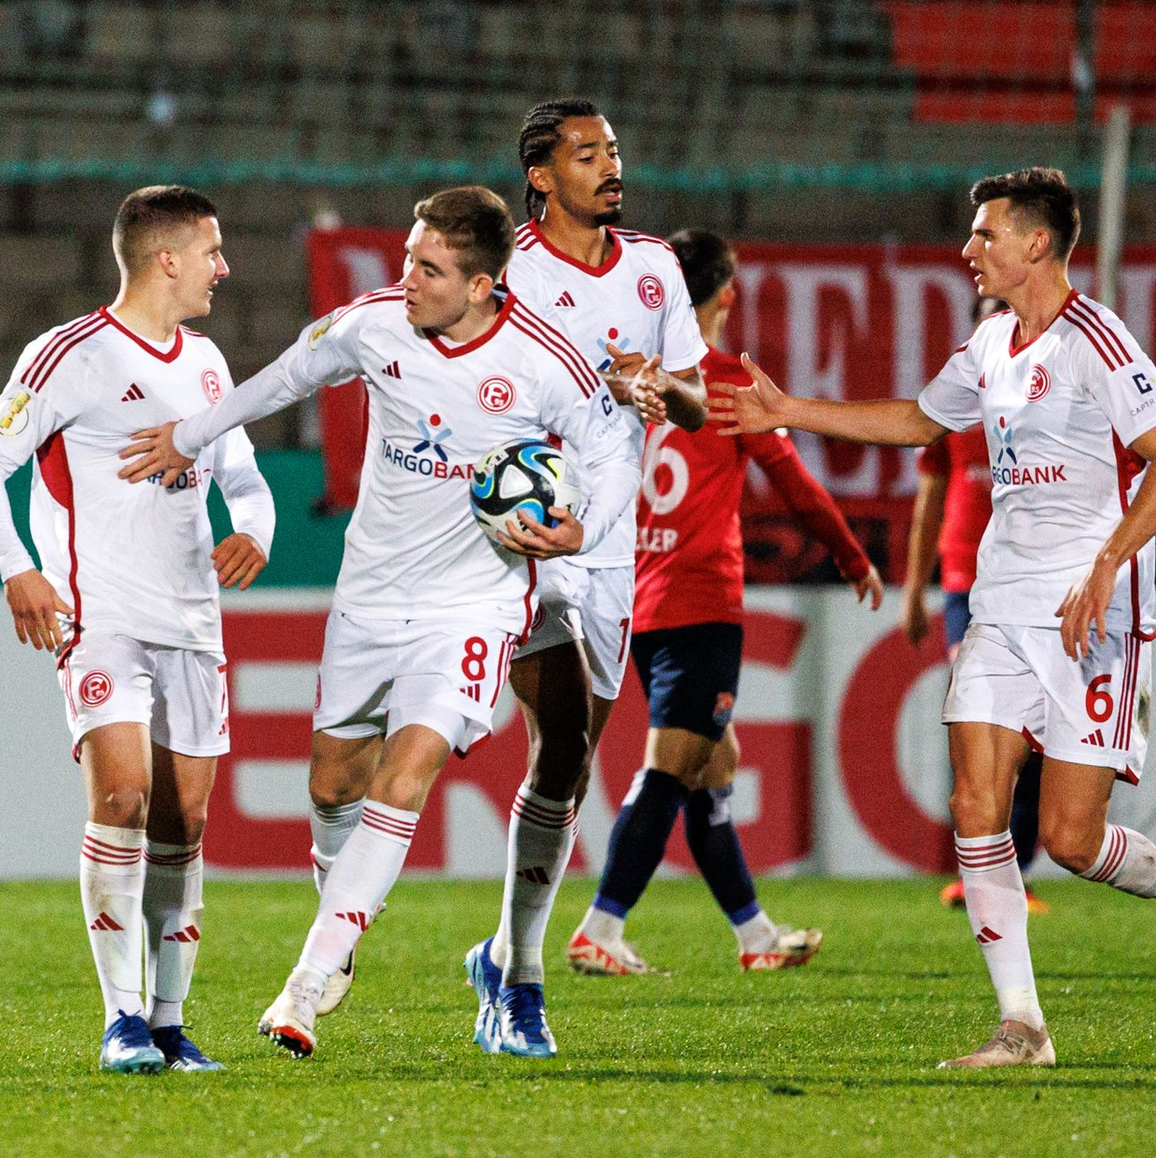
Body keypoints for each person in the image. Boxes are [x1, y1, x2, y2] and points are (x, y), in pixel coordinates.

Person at [117, 186, 638, 1060]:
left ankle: (307, 983)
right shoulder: (374, 324)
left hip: (473, 602)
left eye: (429, 269)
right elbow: (288, 373)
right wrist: (192, 434)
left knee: (408, 773)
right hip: (369, 596)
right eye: (407, 257)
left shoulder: (546, 360)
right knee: (331, 787)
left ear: (481, 286)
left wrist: (585, 526)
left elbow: (612, 449)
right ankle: (343, 930)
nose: (407, 278)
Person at [708, 166, 1156, 1069]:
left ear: (1037, 243)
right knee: (974, 801)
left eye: (986, 234)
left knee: (1069, 838)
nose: (968, 250)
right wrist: (788, 409)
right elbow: (918, 419)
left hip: (1091, 606)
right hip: (1001, 602)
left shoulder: (1099, 344)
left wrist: (1109, 563)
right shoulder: (991, 342)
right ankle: (1022, 1027)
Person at [0, 186, 275, 1074]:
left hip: (192, 622)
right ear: (165, 257)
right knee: (123, 798)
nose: (224, 268)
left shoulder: (209, 363)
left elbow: (244, 476)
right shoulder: (69, 354)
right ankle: (122, 1018)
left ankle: (171, 1023)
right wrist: (19, 569)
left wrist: (257, 527)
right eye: (212, 251)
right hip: (100, 617)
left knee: (186, 820)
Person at [462, 98, 709, 1052]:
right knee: (556, 729)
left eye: (613, 148)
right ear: (539, 175)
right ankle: (521, 984)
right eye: (586, 153)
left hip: (608, 548)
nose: (610, 165)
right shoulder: (511, 271)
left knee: (566, 762)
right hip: (521, 538)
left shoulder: (653, 269)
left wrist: (657, 384)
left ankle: (503, 952)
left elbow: (694, 401)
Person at [567, 228, 883, 974]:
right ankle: (600, 927)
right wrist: (850, 554)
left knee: (714, 763)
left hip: (635, 600)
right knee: (675, 765)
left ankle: (755, 935)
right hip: (700, 598)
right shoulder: (722, 384)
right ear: (726, 292)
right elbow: (798, 486)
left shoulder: (629, 375)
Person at [901, 297, 1048, 915]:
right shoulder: (960, 395)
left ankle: (1013, 864)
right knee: (982, 719)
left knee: (1036, 733)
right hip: (966, 578)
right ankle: (982, 869)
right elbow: (929, 495)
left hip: (1039, 577)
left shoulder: (1057, 384)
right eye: (991, 310)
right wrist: (915, 586)